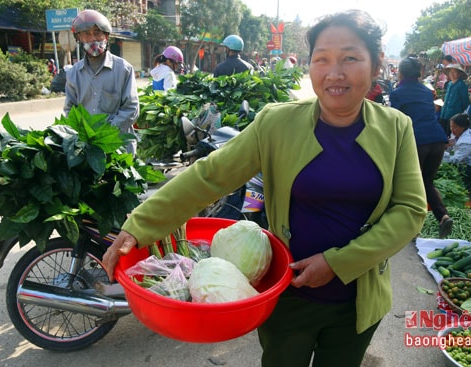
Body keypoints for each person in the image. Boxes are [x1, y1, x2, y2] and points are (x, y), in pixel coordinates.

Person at [102, 10, 426, 367]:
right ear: (310, 65)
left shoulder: (397, 127)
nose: (335, 73)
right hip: (288, 295)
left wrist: (337, 263)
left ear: (376, 65)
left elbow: (410, 211)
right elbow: (210, 175)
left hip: (360, 302)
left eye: (351, 58)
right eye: (322, 59)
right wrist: (141, 223)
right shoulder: (277, 122)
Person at [389, 57, 453, 239]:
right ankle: (443, 216)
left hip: (418, 142)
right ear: (420, 73)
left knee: (408, 183)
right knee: (426, 182)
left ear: (400, 73)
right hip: (438, 140)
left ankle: (411, 226)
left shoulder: (397, 93)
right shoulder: (427, 91)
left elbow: (397, 120)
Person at [64, 9, 139, 154]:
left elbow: (131, 108)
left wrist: (105, 134)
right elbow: (70, 110)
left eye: (97, 33)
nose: (93, 39)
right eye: (86, 34)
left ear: (106, 36)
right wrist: (84, 135)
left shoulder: (124, 69)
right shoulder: (73, 74)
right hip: (87, 149)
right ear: (79, 38)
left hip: (119, 146)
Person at [439, 63, 470, 135]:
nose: (452, 74)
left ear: (459, 74)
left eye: (454, 72)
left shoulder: (461, 85)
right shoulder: (449, 84)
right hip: (445, 113)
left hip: (455, 114)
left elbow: (465, 101)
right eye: (451, 72)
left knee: (451, 134)